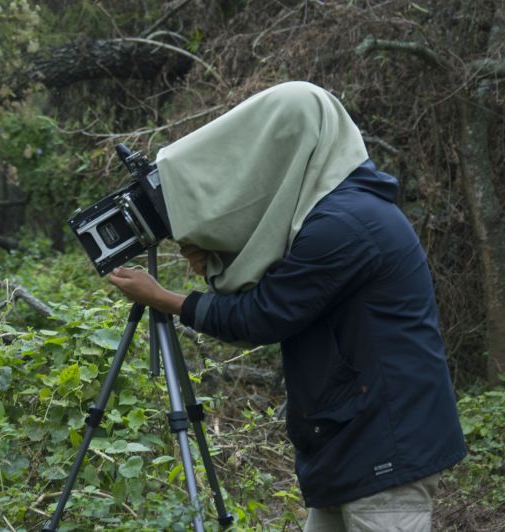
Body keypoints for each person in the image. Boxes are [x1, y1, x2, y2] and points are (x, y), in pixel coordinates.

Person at [108, 81, 466, 531]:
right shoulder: (336, 213)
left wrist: (165, 299)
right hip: (353, 441)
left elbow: (265, 314)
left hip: (383, 448)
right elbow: (290, 284)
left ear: (301, 146)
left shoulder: (345, 224)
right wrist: (220, 263)